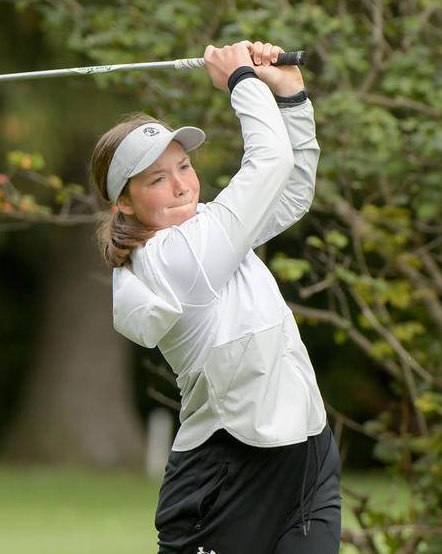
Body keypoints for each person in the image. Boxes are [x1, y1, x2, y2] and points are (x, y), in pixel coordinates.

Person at [88, 41, 342, 553]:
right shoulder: (169, 257)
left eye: (184, 166)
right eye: (158, 179)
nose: (182, 185)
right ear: (124, 204)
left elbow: (290, 190)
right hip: (225, 478)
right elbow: (267, 164)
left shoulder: (210, 229)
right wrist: (240, 82)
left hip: (305, 457)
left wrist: (291, 97)